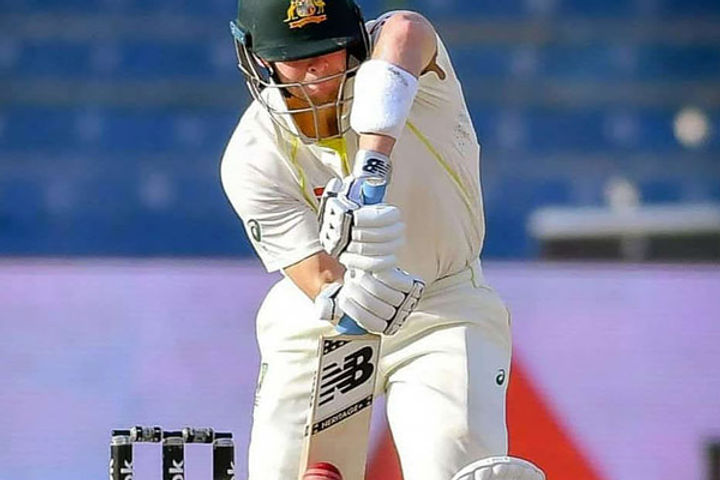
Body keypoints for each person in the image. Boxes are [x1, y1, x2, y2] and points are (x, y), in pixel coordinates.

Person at [221, 0, 544, 478]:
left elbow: (408, 29)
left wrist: (371, 169)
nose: (316, 73)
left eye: (327, 51)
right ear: (261, 59)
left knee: (454, 466)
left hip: (443, 305)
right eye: (295, 58)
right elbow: (315, 275)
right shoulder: (252, 155)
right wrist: (348, 293)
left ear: (355, 39)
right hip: (321, 319)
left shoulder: (405, 75)